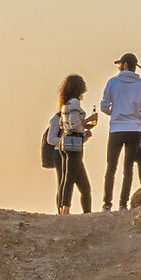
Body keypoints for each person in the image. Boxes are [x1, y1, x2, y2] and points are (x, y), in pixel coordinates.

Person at [99, 53, 141, 211]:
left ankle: (107, 203)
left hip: (116, 128)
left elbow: (103, 106)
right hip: (134, 129)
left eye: (120, 64)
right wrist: (139, 117)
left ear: (125, 65)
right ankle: (123, 203)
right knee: (128, 168)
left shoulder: (113, 82)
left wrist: (115, 113)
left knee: (111, 167)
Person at [49, 74, 97, 215]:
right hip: (74, 145)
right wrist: (90, 119)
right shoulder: (75, 103)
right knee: (70, 179)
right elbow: (75, 124)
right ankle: (67, 210)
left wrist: (85, 127)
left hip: (65, 144)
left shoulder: (65, 105)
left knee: (69, 179)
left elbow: (66, 124)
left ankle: (64, 209)